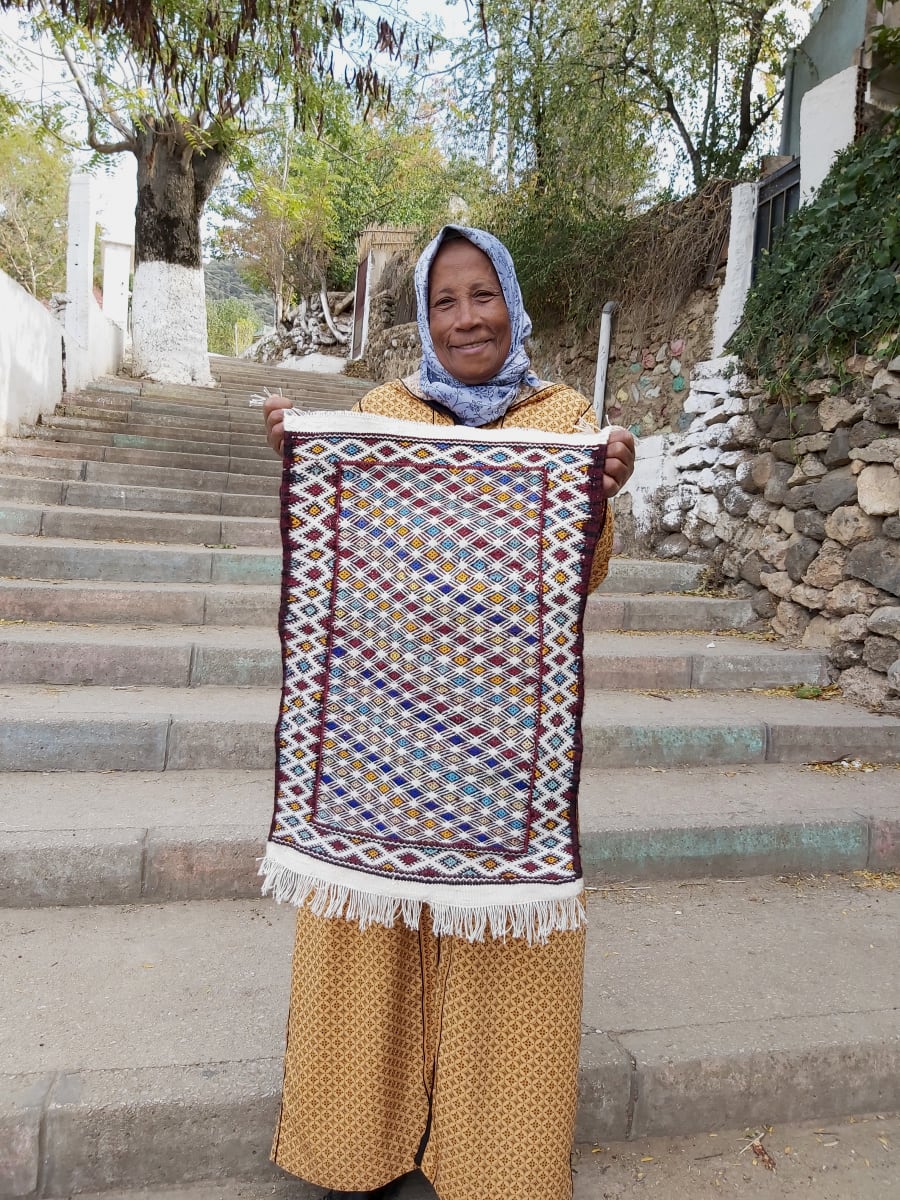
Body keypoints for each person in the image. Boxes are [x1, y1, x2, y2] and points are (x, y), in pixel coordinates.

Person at [262, 226, 636, 1200]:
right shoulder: (387, 412)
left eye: (483, 296)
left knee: (507, 946)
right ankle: (352, 1140)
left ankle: (499, 1163)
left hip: (508, 751)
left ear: (513, 303)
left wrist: (600, 497)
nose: (466, 317)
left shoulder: (562, 423)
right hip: (383, 742)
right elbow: (352, 551)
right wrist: (301, 455)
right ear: (422, 316)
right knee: (371, 936)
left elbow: (582, 576)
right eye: (444, 300)